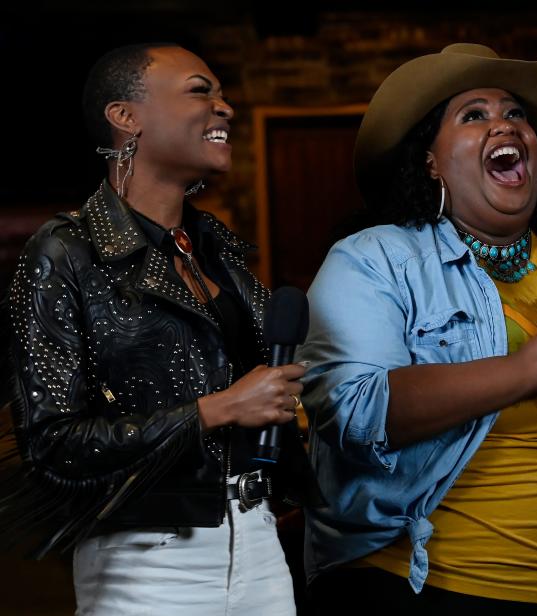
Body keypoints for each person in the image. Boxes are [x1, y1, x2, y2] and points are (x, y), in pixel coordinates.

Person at [296, 43, 537, 614]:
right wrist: (527, 368)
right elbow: (355, 411)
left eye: (516, 113)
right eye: (473, 114)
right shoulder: (376, 258)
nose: (505, 123)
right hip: (427, 584)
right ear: (430, 160)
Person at [0, 43, 310, 614]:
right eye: (201, 90)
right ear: (126, 117)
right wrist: (215, 409)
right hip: (147, 559)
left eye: (222, 93)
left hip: (260, 546)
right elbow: (50, 446)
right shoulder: (67, 251)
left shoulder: (218, 253)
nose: (226, 108)